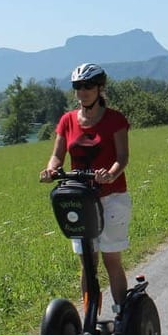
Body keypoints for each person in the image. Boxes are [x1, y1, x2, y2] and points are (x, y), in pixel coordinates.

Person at [40, 63, 131, 317]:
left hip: (112, 197)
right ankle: (90, 318)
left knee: (111, 260)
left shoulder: (115, 119)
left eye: (88, 86)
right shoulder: (67, 120)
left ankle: (122, 316)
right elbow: (57, 156)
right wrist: (50, 170)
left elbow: (122, 157)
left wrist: (110, 174)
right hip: (80, 199)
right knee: (87, 263)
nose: (82, 91)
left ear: (100, 88)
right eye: (78, 86)